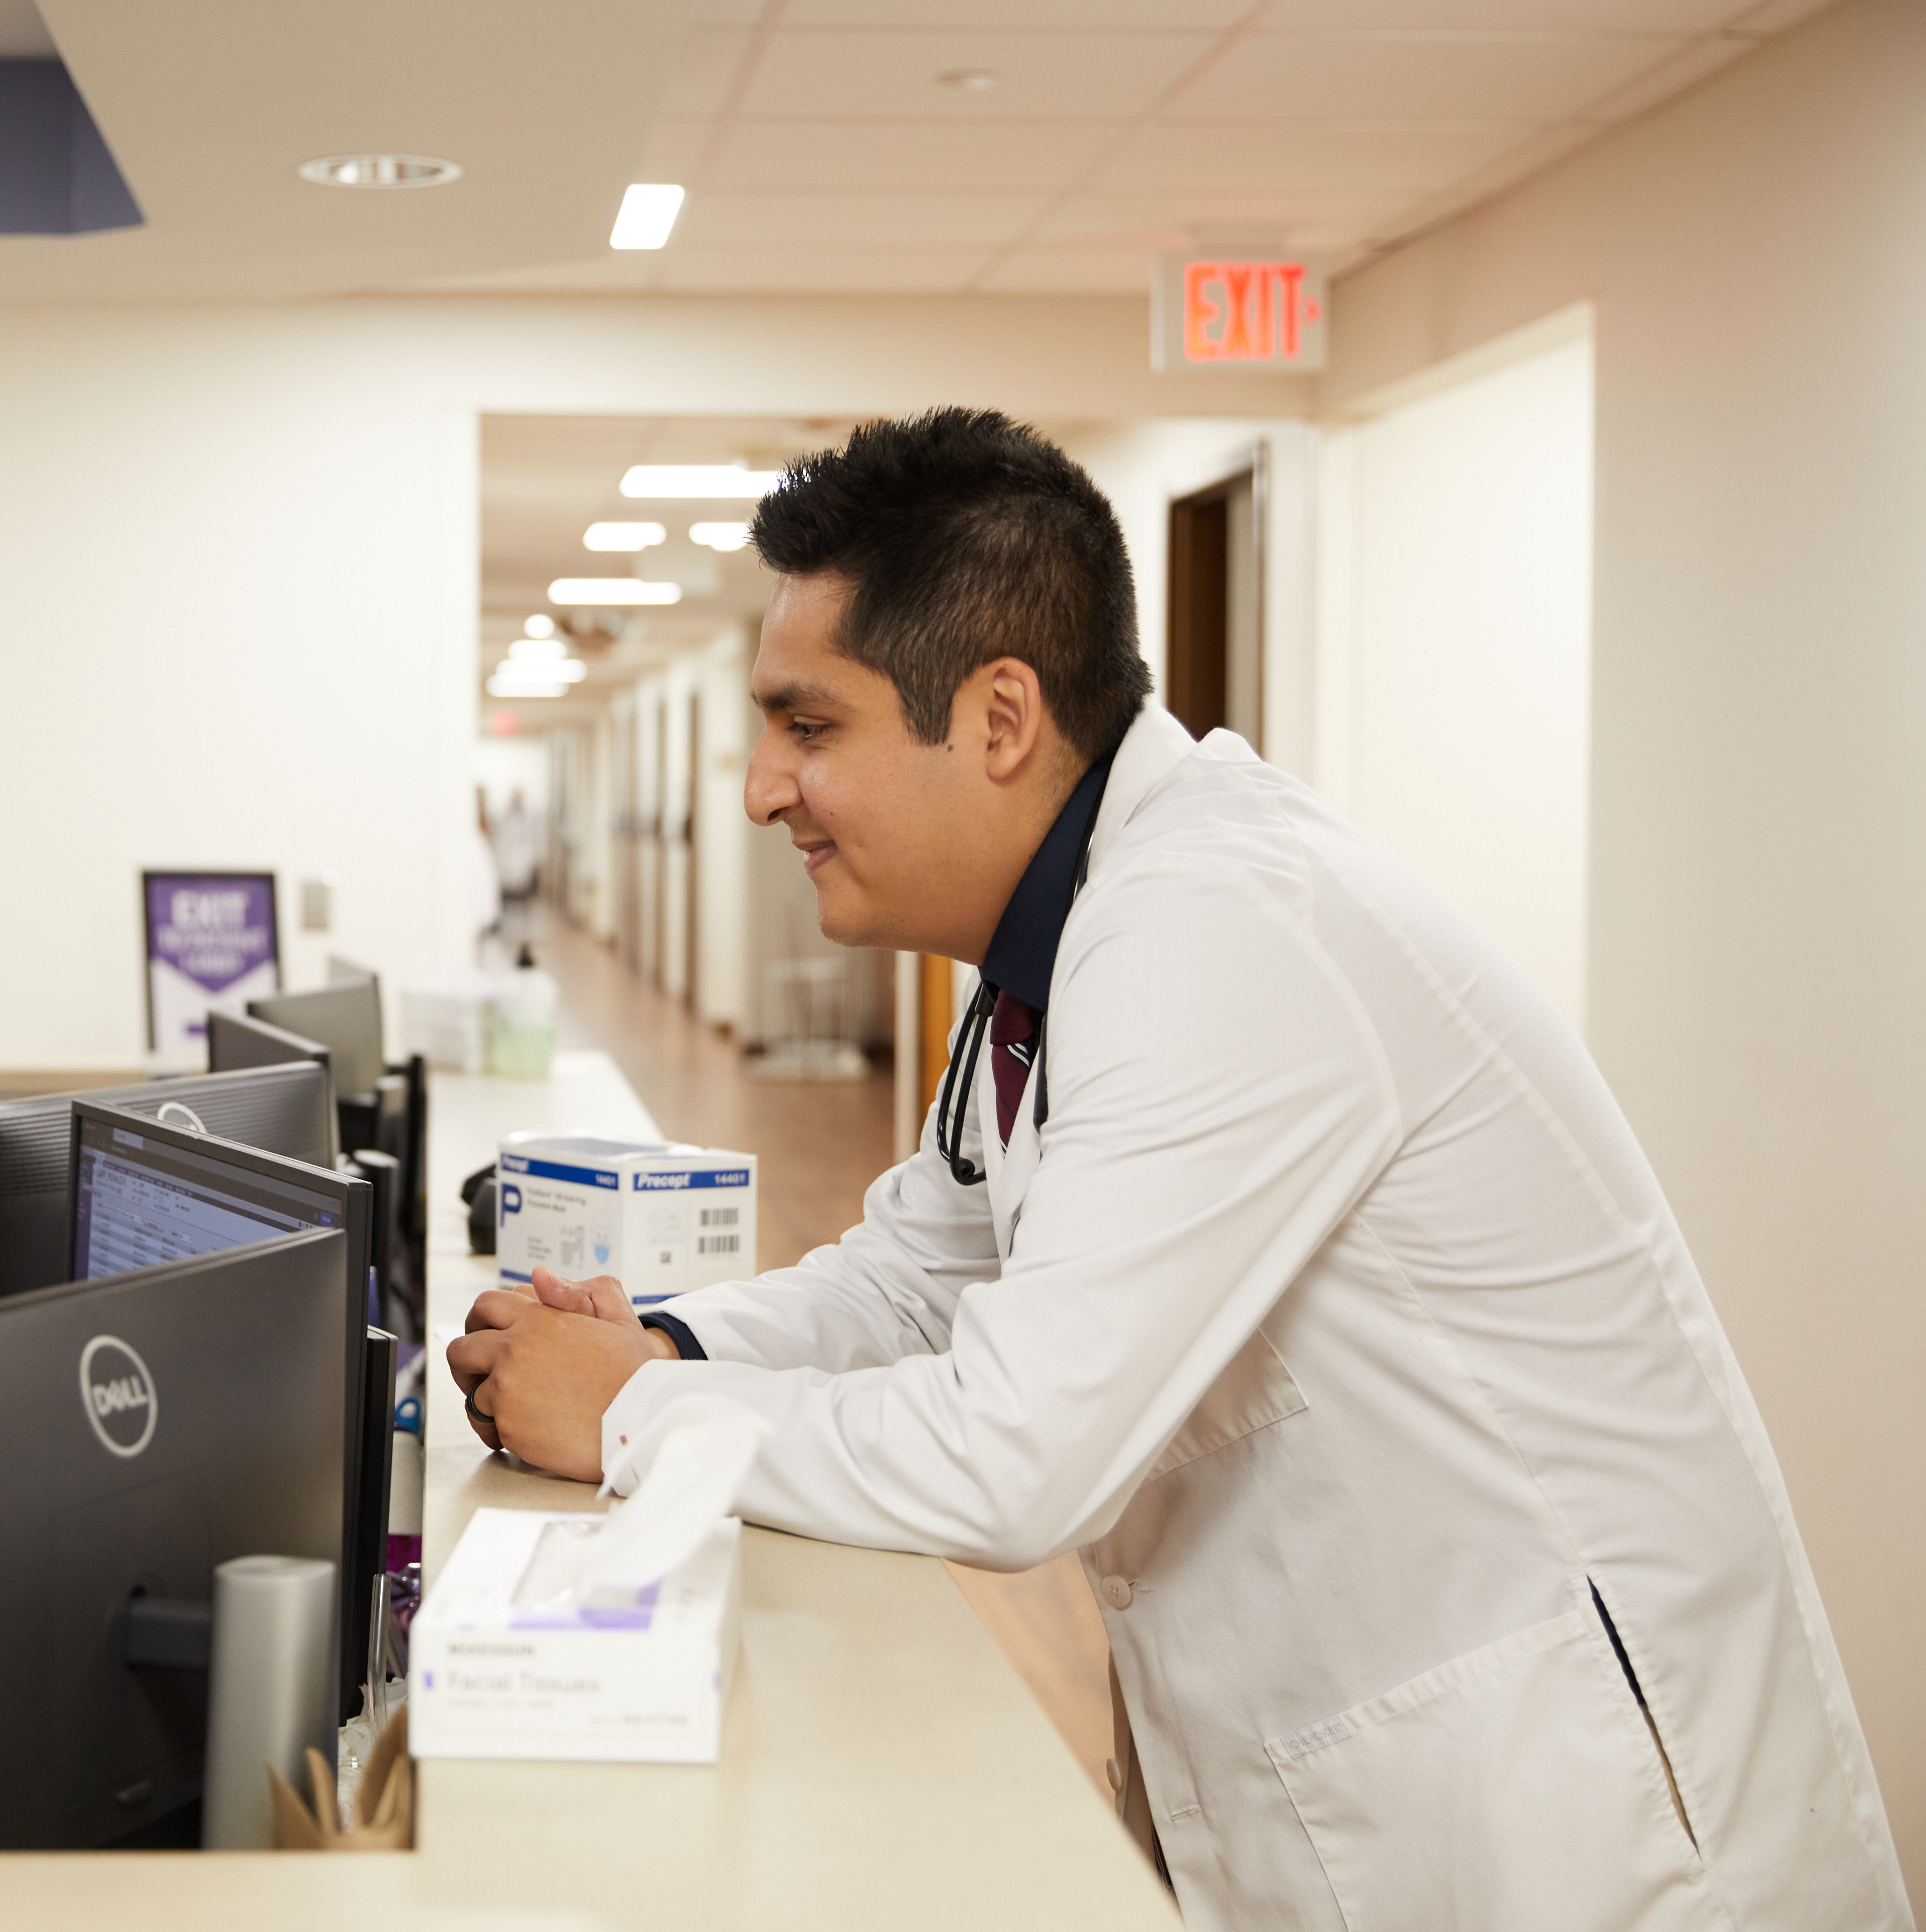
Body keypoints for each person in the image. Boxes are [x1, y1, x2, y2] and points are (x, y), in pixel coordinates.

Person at [448, 410, 1909, 1930]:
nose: (758, 789)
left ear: (999, 717)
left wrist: (626, 1411)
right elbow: (918, 1278)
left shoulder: (1213, 924)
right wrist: (667, 1342)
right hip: (1360, 1777)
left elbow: (1016, 1448)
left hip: (1580, 1828)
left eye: (808, 727)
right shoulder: (1060, 939)